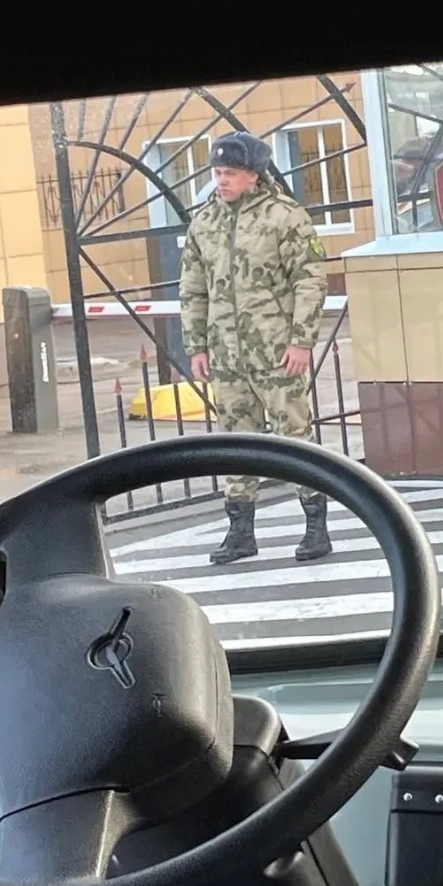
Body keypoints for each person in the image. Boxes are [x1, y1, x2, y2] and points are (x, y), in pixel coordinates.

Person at [179, 130, 333, 565]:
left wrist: (301, 340)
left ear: (253, 175)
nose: (221, 180)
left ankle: (316, 528)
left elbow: (310, 280)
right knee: (236, 442)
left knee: (295, 437)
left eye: (230, 173)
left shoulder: (285, 217)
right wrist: (197, 346)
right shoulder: (204, 223)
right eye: (217, 172)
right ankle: (240, 533)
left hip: (276, 352)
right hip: (227, 355)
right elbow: (193, 289)